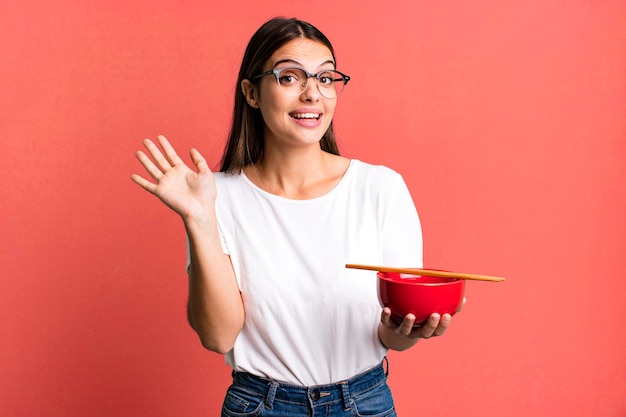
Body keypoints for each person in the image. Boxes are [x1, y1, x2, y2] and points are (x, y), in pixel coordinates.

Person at [131, 17, 461, 417]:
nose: (312, 94)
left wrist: (404, 330)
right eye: (289, 77)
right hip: (259, 406)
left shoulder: (381, 189)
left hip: (363, 403)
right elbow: (218, 337)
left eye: (325, 78)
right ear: (252, 93)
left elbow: (393, 333)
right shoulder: (213, 196)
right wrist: (199, 219)